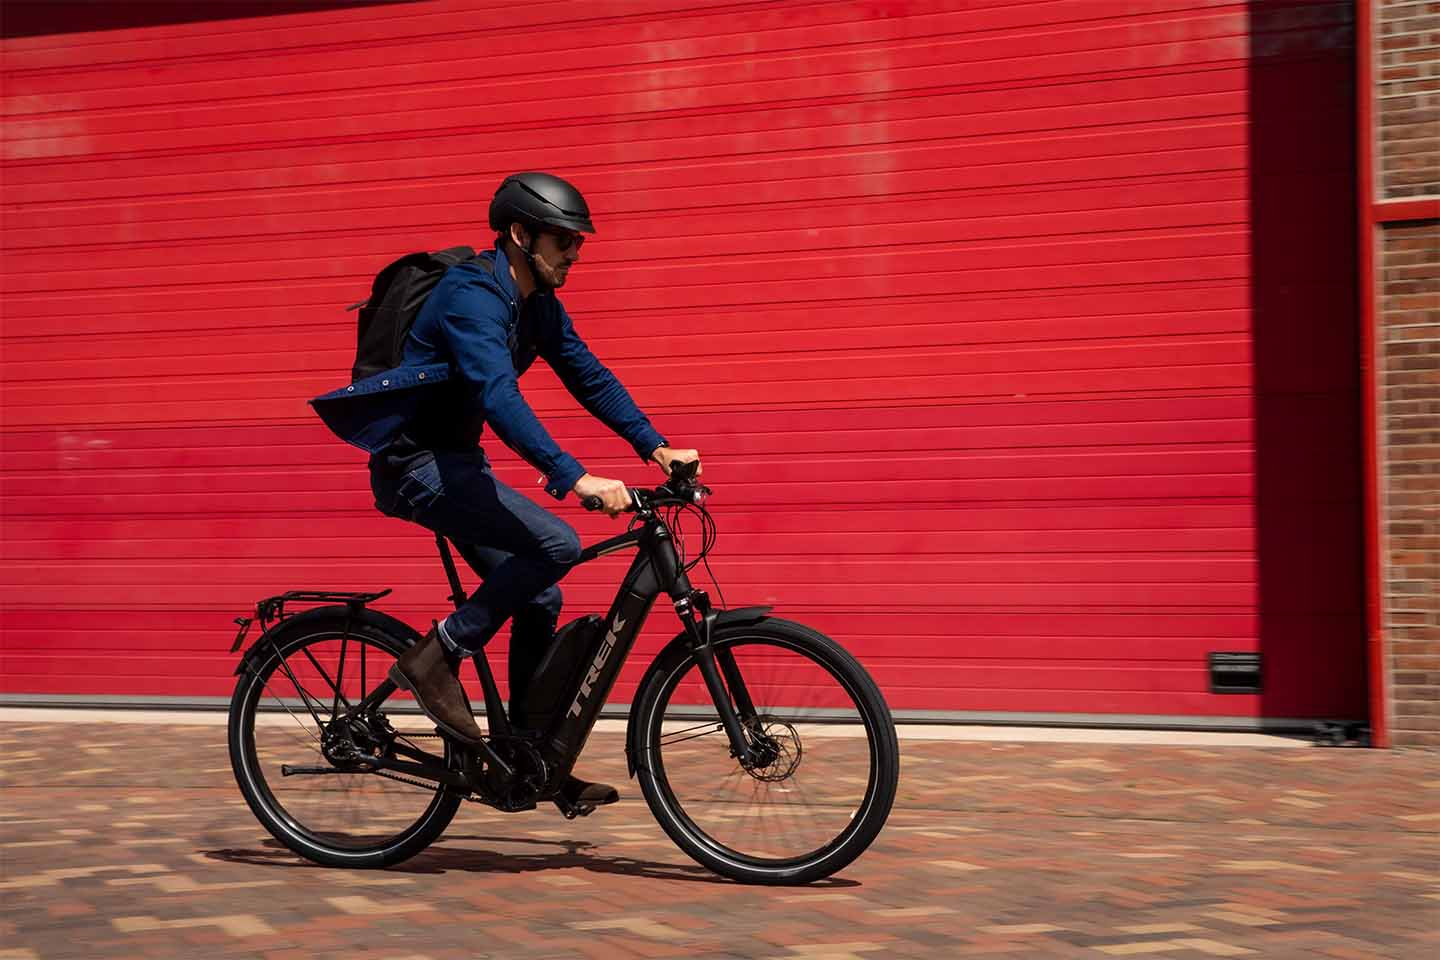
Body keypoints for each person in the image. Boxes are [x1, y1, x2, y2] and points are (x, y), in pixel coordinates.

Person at [313, 172, 699, 807]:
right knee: (556, 542)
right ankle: (437, 655)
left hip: (458, 463)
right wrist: (573, 477)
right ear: (523, 236)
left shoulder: (535, 304)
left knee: (540, 594)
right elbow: (497, 394)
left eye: (578, 242)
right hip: (416, 466)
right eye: (565, 241)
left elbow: (589, 375)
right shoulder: (472, 298)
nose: (576, 253)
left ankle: (526, 758)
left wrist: (654, 447)